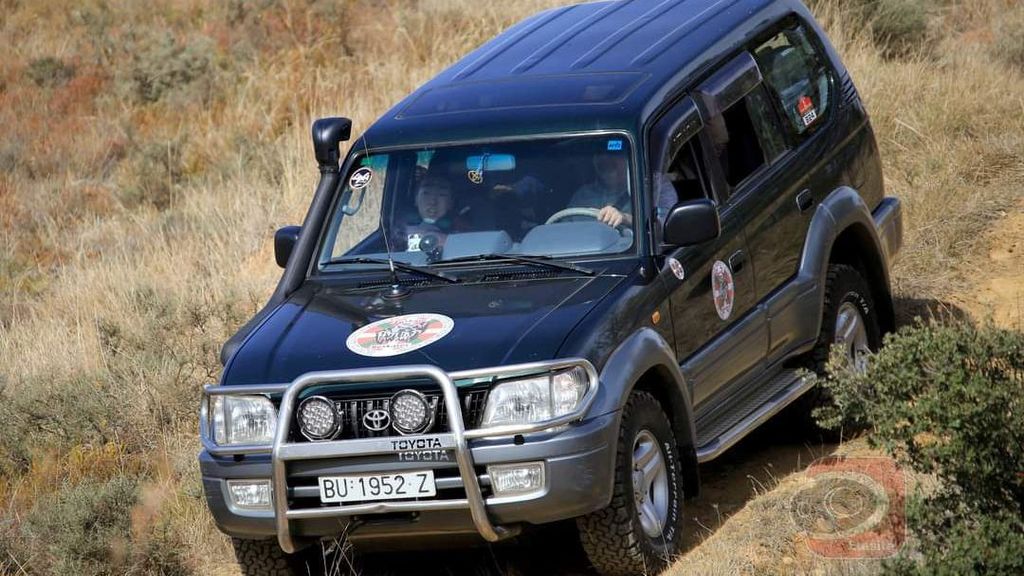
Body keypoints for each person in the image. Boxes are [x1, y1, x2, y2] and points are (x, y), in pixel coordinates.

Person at [570, 149, 678, 228]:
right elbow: (565, 230)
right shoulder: (582, 196)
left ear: (630, 158)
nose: (606, 159)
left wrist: (626, 219)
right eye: (600, 153)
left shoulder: (655, 187)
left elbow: (665, 227)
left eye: (614, 154)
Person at [396, 177, 464, 254]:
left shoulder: (462, 234)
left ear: (451, 203)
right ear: (416, 199)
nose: (433, 201)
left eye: (442, 195)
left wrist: (447, 241)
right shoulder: (398, 231)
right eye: (426, 193)